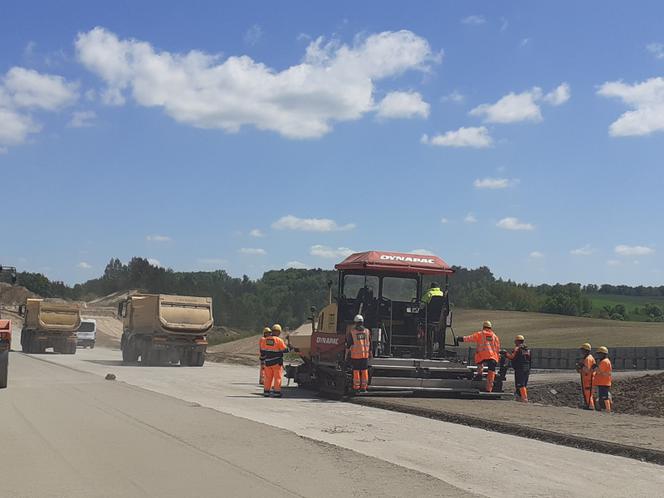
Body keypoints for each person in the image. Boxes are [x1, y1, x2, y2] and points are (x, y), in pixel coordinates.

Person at [457, 320, 501, 392]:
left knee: (479, 360)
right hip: (492, 357)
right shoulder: (495, 336)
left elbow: (470, 338)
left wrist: (461, 338)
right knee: (491, 372)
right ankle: (489, 389)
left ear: (483, 327)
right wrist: (497, 357)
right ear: (490, 328)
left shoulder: (481, 334)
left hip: (482, 356)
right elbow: (497, 347)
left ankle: (479, 374)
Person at [260, 324, 288, 397]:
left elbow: (262, 350)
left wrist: (263, 359)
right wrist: (290, 348)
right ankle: (277, 392)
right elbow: (285, 350)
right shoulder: (279, 340)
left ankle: (266, 392)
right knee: (277, 378)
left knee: (268, 378)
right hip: (276, 363)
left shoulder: (265, 340)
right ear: (278, 332)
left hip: (267, 362)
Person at [346, 314, 371, 393]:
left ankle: (356, 387)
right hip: (365, 356)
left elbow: (349, 344)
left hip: (356, 356)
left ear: (355, 323)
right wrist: (370, 353)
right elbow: (370, 343)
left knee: (356, 371)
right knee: (364, 371)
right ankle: (364, 387)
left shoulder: (352, 332)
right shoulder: (367, 331)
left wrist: (346, 355)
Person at [504, 334, 531, 402]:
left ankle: (524, 398)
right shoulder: (527, 349)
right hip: (527, 368)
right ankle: (519, 397)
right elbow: (530, 360)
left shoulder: (517, 348)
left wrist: (505, 354)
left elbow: (512, 357)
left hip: (519, 368)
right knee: (524, 383)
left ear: (517, 341)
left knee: (520, 383)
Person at [576, 343, 596, 410]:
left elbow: (587, 370)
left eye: (583, 350)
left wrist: (581, 366)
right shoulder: (586, 358)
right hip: (586, 379)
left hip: (588, 379)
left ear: (586, 351)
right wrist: (579, 368)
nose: (582, 352)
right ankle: (588, 405)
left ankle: (590, 406)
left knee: (588, 393)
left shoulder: (588, 359)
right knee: (586, 393)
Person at [593, 346, 613, 413]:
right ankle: (606, 409)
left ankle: (607, 410)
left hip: (603, 382)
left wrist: (595, 367)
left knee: (604, 397)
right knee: (604, 397)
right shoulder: (605, 361)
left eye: (600, 354)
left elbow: (599, 371)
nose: (599, 355)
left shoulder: (604, 362)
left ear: (604, 354)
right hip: (603, 382)